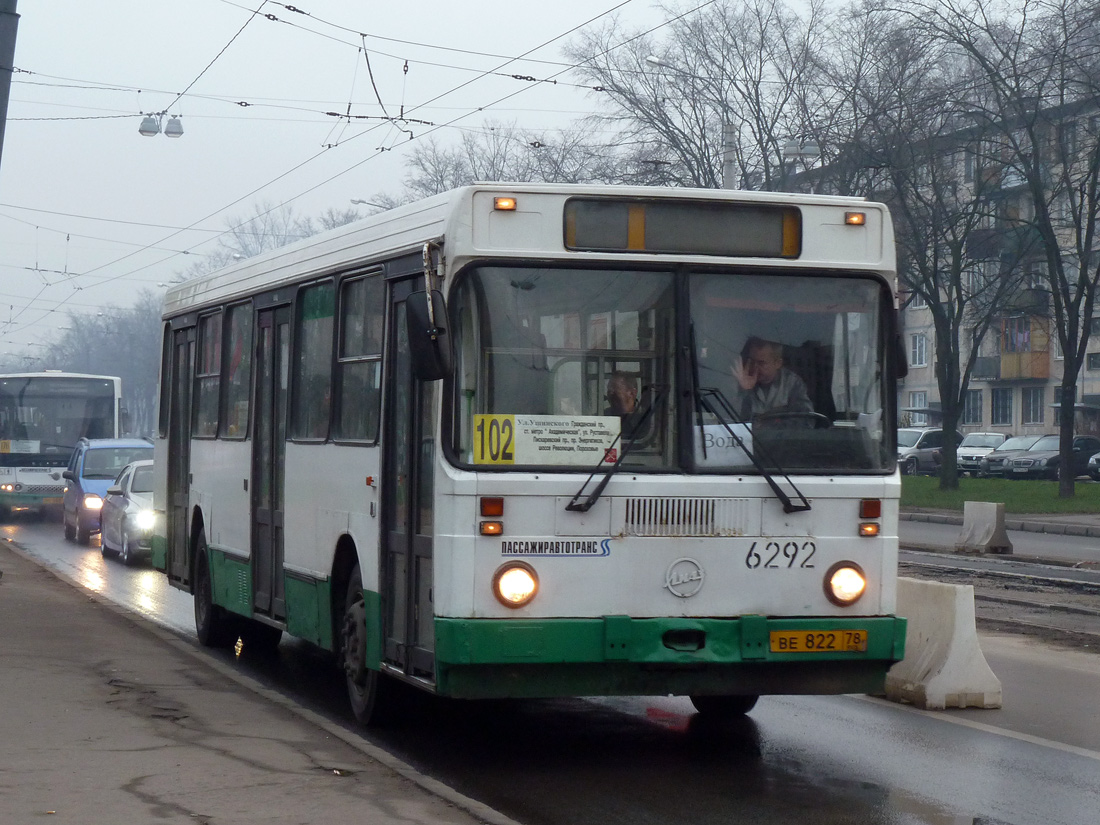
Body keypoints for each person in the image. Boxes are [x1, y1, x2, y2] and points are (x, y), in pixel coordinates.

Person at [731, 337, 813, 420]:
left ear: (778, 363)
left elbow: (806, 420)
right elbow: (732, 420)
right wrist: (745, 390)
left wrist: (769, 426)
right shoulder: (739, 380)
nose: (755, 367)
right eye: (752, 361)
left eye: (761, 363)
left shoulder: (792, 383)